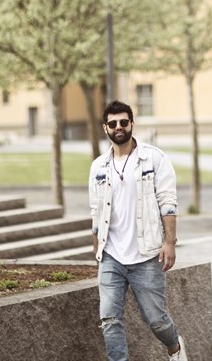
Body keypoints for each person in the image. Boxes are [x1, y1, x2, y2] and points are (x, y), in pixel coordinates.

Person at [88, 100, 187, 361]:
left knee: (156, 320)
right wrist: (97, 247)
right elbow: (96, 210)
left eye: (123, 122)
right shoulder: (98, 166)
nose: (118, 127)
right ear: (105, 128)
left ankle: (175, 346)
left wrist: (170, 242)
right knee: (109, 319)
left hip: (146, 253)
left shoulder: (154, 158)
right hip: (111, 255)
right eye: (112, 123)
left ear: (132, 124)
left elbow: (168, 202)